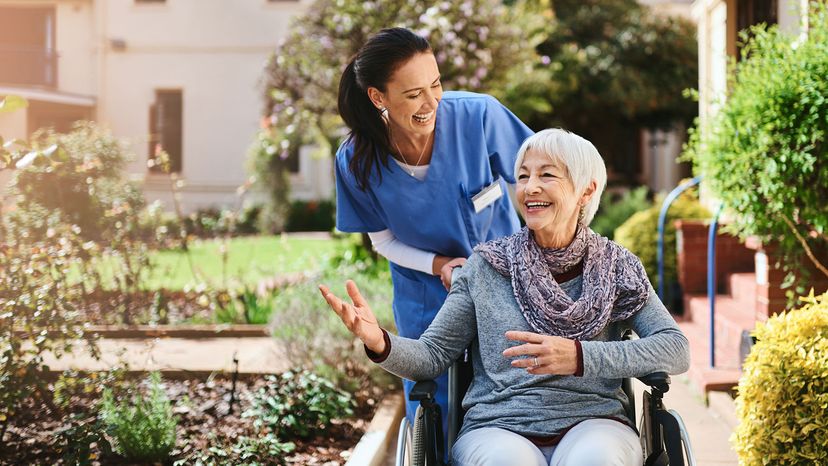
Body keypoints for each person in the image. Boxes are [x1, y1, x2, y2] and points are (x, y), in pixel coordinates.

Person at [320, 128, 691, 466]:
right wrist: (379, 341)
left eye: (547, 175)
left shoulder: (617, 267)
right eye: (524, 175)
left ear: (586, 190)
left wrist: (578, 356)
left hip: (594, 422)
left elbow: (675, 349)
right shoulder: (486, 267)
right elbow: (431, 357)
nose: (530, 187)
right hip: (498, 427)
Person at [334, 26, 533, 429]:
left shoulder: (478, 116)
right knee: (435, 409)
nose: (431, 102)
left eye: (436, 85)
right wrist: (439, 263)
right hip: (425, 295)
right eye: (413, 94)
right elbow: (383, 240)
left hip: (507, 285)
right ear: (378, 97)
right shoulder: (355, 160)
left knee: (512, 400)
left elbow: (545, 177)